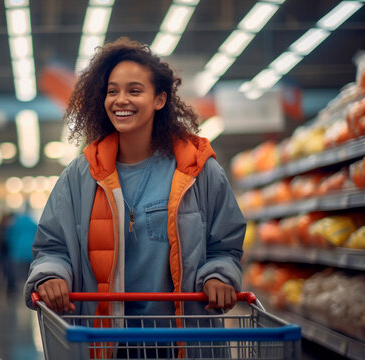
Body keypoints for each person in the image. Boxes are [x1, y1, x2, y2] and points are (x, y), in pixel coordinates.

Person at [24, 38, 245, 344]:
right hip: (106, 339)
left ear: (160, 99)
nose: (120, 100)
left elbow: (225, 245)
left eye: (134, 91)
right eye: (112, 91)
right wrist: (50, 275)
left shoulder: (197, 170)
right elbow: (52, 246)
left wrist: (220, 275)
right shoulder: (81, 175)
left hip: (184, 340)